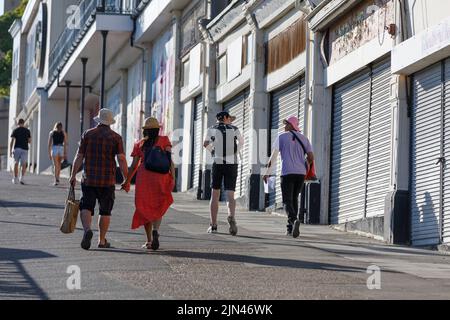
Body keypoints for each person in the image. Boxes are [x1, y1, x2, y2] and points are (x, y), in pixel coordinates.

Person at [69, 108, 128, 250]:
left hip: (88, 178)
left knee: (86, 206)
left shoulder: (88, 134)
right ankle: (102, 240)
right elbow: (121, 159)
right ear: (109, 122)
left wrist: (72, 175)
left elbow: (79, 156)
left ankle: (87, 230)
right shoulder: (116, 137)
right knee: (105, 210)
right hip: (107, 180)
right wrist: (126, 178)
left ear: (98, 120)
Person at [121, 117, 175, 251]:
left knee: (145, 208)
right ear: (158, 129)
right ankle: (156, 230)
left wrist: (127, 180)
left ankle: (149, 240)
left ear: (145, 130)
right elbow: (170, 161)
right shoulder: (164, 140)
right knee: (158, 205)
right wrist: (173, 177)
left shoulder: (140, 144)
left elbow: (134, 166)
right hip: (161, 177)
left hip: (145, 178)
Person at [263, 116, 314, 238]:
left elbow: (273, 157)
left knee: (287, 201)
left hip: (287, 173)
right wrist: (305, 166)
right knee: (294, 199)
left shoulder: (281, 137)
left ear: (292, 125)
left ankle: (293, 220)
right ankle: (290, 228)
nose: (284, 126)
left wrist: (267, 172)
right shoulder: (305, 139)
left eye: (286, 124)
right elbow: (311, 157)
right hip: (300, 174)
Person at [203, 111, 244, 236]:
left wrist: (213, 151)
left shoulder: (211, 129)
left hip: (218, 162)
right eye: (229, 118)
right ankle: (231, 216)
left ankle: (213, 225)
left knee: (215, 194)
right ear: (225, 118)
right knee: (230, 194)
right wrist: (235, 152)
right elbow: (241, 143)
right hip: (232, 163)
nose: (230, 120)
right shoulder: (235, 128)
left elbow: (205, 144)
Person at [9, 119, 31, 185]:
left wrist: (10, 151)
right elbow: (29, 141)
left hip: (17, 148)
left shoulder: (15, 130)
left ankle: (15, 178)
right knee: (23, 164)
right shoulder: (27, 131)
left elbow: (12, 141)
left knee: (16, 163)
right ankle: (22, 178)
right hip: (25, 149)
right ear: (23, 123)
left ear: (18, 123)